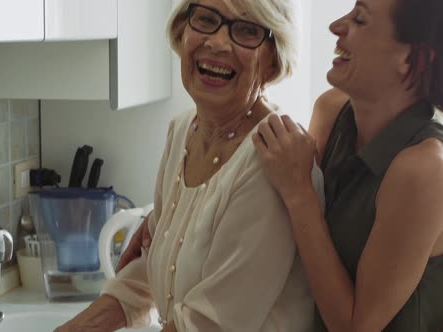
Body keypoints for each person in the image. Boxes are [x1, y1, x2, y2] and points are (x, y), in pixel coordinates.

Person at [55, 0, 324, 331]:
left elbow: (208, 323)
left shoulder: (271, 159)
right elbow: (151, 268)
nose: (218, 43)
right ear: (182, 31)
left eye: (246, 30)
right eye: (206, 19)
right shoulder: (183, 131)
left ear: (273, 60)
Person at [251, 0, 443, 330]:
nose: (336, 26)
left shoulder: (426, 170)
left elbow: (355, 326)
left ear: (411, 59)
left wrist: (300, 192)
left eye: (359, 19)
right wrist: (161, 221)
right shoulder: (330, 109)